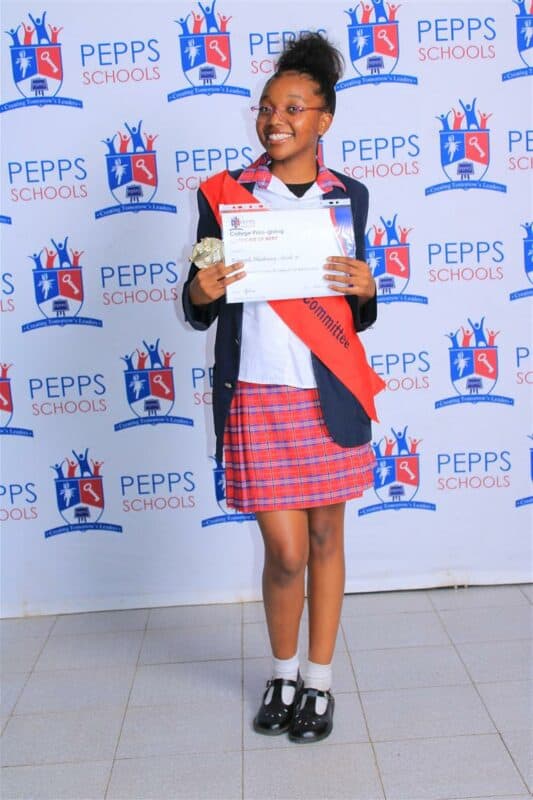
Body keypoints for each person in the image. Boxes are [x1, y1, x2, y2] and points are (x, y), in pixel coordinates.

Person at [183, 33, 381, 743]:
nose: (276, 120)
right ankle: (281, 670)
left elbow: (355, 310)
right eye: (268, 107)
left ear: (323, 119)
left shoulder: (348, 196)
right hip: (258, 393)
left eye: (294, 108)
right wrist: (200, 292)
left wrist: (367, 291)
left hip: (327, 392)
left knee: (326, 536)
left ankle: (316, 683)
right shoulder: (226, 196)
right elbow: (198, 303)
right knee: (287, 552)